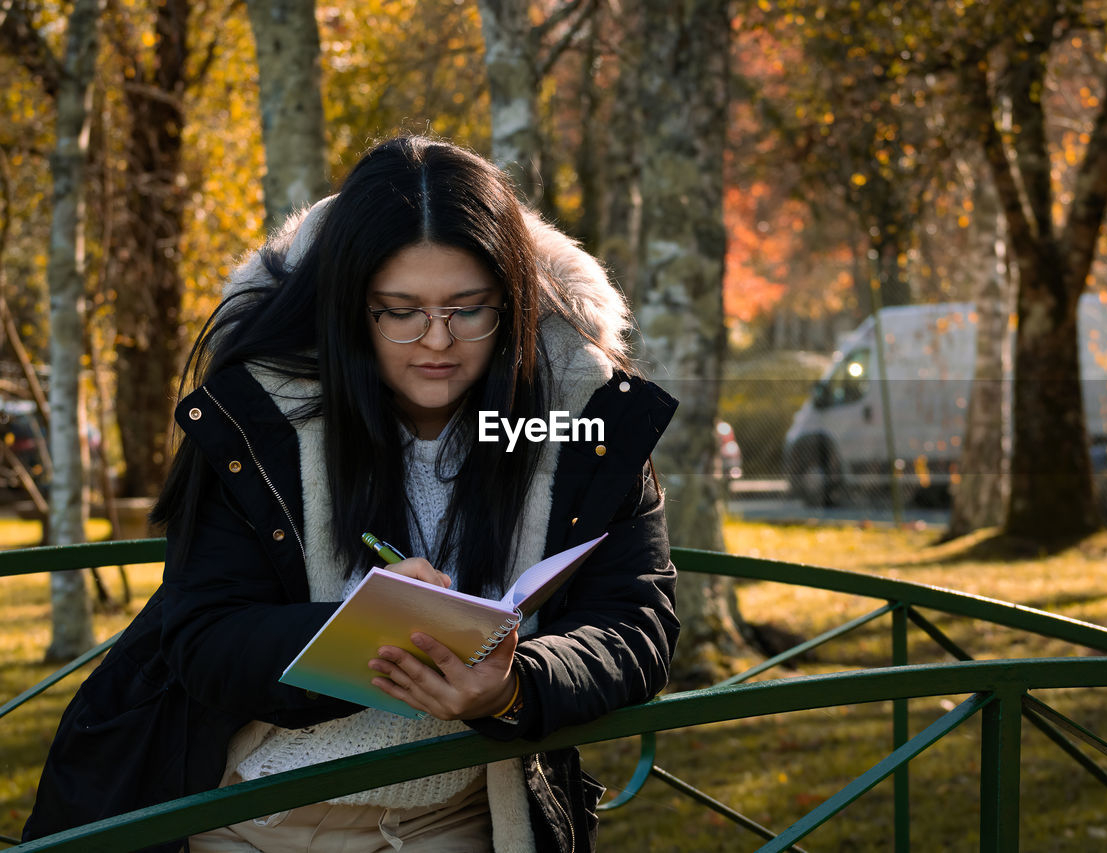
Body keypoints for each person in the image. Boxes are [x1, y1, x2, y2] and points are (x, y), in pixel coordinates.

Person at [23, 137, 680, 852]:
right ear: (347, 306)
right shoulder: (264, 415)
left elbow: (635, 623)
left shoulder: (581, 416)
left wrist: (516, 686)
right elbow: (202, 636)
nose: (438, 340)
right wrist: (360, 631)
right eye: (399, 310)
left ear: (515, 303)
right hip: (256, 819)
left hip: (461, 816)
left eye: (470, 310)